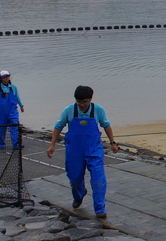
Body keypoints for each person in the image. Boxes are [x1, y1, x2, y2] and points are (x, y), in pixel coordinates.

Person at [46, 85, 118, 218]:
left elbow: (106, 125)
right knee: (74, 178)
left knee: (98, 178)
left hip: (94, 150)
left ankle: (100, 208)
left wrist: (112, 142)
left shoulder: (98, 110)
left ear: (90, 99)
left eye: (85, 102)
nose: (82, 105)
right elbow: (58, 126)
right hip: (75, 150)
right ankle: (79, 195)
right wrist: (52, 145)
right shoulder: (69, 110)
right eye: (79, 102)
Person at [0, 70, 24, 150]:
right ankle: (1, 144)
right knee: (1, 129)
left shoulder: (13, 87)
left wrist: (21, 105)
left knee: (14, 126)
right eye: (4, 77)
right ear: (1, 79)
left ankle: (16, 144)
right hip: (1, 112)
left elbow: (17, 97)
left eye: (7, 76)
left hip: (12, 110)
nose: (6, 78)